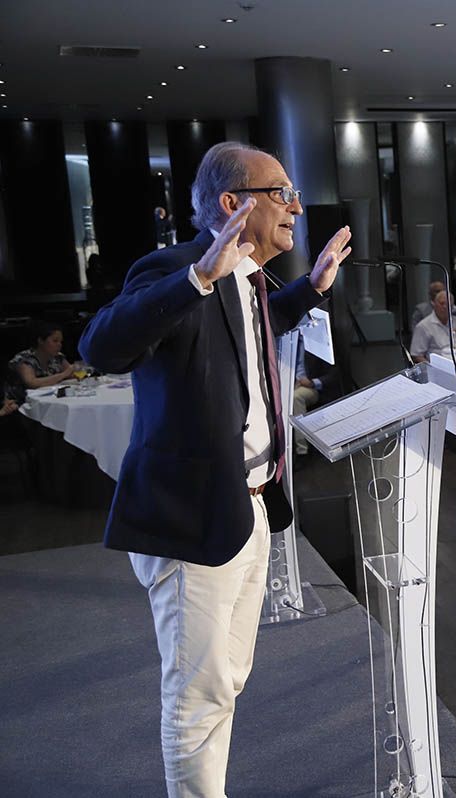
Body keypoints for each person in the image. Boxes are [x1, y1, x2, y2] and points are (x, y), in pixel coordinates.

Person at [77, 141, 351, 797]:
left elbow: (250, 329)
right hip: (188, 514)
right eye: (279, 191)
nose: (294, 206)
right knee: (198, 691)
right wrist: (196, 277)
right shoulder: (173, 268)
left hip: (248, 506)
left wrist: (310, 290)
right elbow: (102, 346)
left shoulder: (255, 280)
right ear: (232, 204)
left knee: (227, 676)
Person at [7, 320, 77, 401]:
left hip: (51, 398)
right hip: (22, 404)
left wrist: (75, 372)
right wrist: (63, 375)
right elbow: (32, 383)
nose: (59, 345)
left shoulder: (58, 357)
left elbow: (71, 374)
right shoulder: (25, 358)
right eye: (55, 341)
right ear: (40, 341)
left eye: (61, 342)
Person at [411, 290, 456, 361]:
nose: (445, 307)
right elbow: (417, 355)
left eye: (448, 304)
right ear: (434, 304)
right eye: (442, 303)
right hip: (439, 367)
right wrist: (431, 368)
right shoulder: (423, 326)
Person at [289, 333, 324, 456]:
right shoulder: (285, 340)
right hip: (289, 384)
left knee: (294, 398)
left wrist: (312, 383)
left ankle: (302, 450)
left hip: (310, 386)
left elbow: (334, 372)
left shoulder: (314, 339)